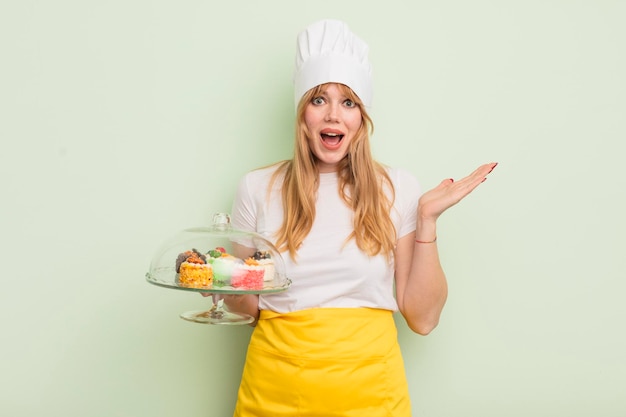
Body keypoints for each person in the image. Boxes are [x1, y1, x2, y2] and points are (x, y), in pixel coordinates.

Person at [223, 19, 497, 417]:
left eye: (348, 102)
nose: (333, 115)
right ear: (302, 114)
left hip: (372, 395)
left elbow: (423, 319)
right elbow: (246, 311)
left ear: (361, 118)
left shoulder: (398, 188)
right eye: (319, 100)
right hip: (274, 392)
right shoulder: (255, 188)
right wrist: (222, 285)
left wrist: (427, 220)